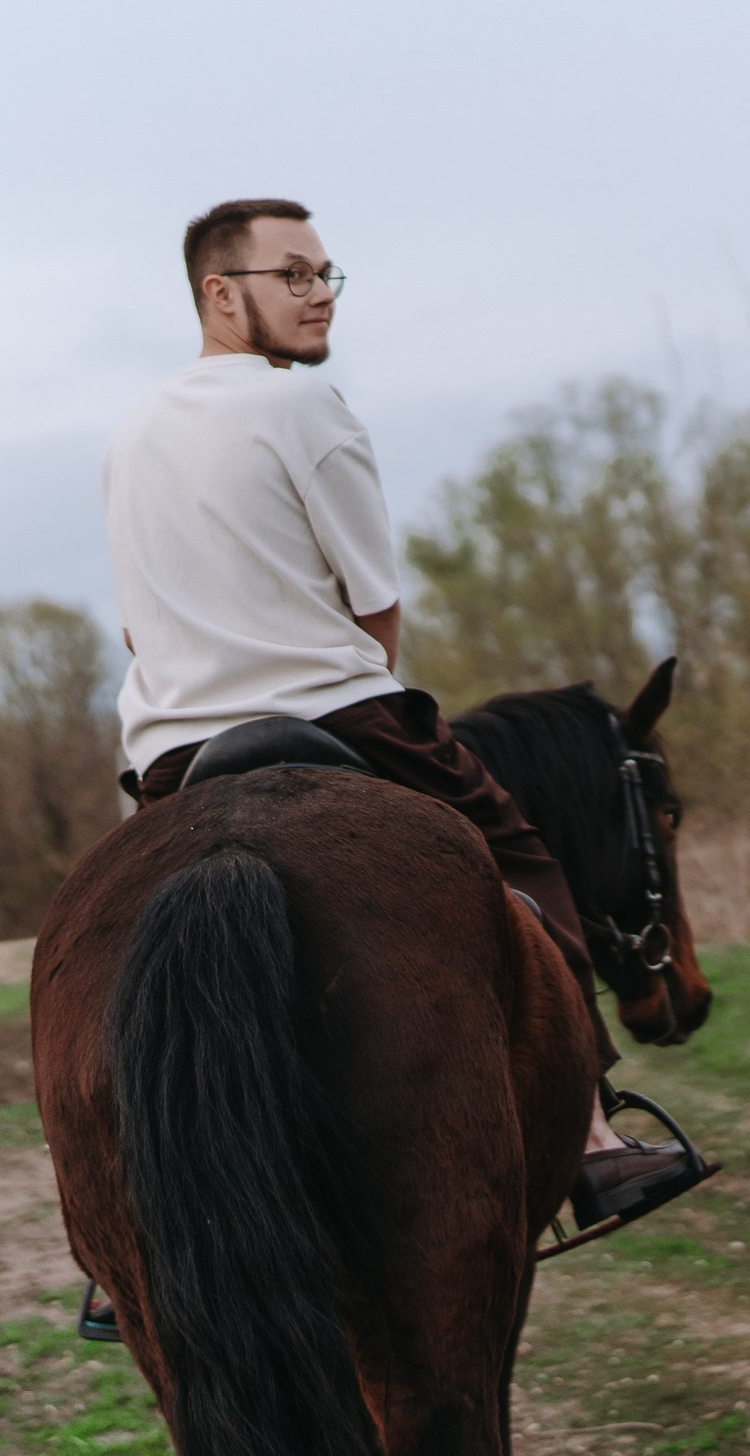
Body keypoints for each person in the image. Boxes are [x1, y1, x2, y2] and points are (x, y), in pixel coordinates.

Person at [101, 198, 702, 1236]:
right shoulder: (305, 406)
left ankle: (129, 1227)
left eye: (326, 272)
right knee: (523, 861)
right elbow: (374, 609)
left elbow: (132, 629)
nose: (320, 292)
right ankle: (592, 1139)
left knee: (127, 958)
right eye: (293, 274)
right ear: (220, 292)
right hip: (342, 715)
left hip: (171, 752)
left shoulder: (131, 434)